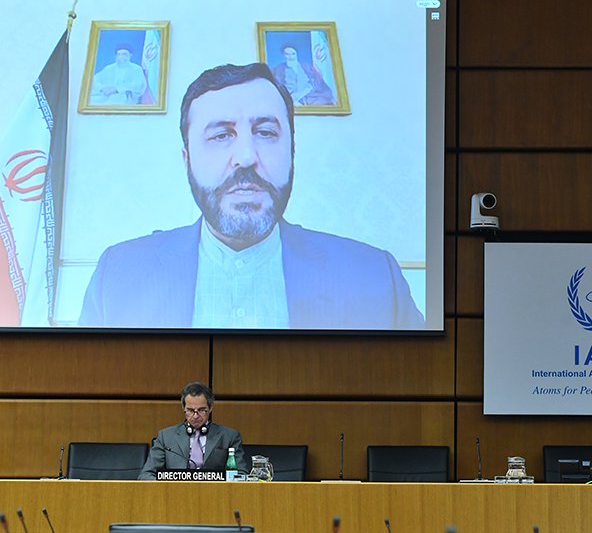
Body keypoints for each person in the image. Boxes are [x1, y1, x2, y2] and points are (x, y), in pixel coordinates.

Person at [78, 62, 423, 329]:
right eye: (220, 135)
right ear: (187, 159)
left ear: (291, 151)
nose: (246, 156)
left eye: (265, 132)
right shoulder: (117, 275)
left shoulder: (376, 277)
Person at [138, 382, 248, 480]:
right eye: (190, 410)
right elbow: (147, 474)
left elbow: (241, 474)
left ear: (210, 407)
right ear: (183, 407)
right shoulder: (166, 437)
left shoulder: (229, 436)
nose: (195, 416)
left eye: (201, 410)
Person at [271, 45, 336, 106]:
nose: (291, 56)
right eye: (287, 54)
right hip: (288, 96)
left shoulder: (306, 67)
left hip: (307, 95)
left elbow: (314, 83)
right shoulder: (279, 69)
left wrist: (301, 93)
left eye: (293, 54)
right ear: (284, 55)